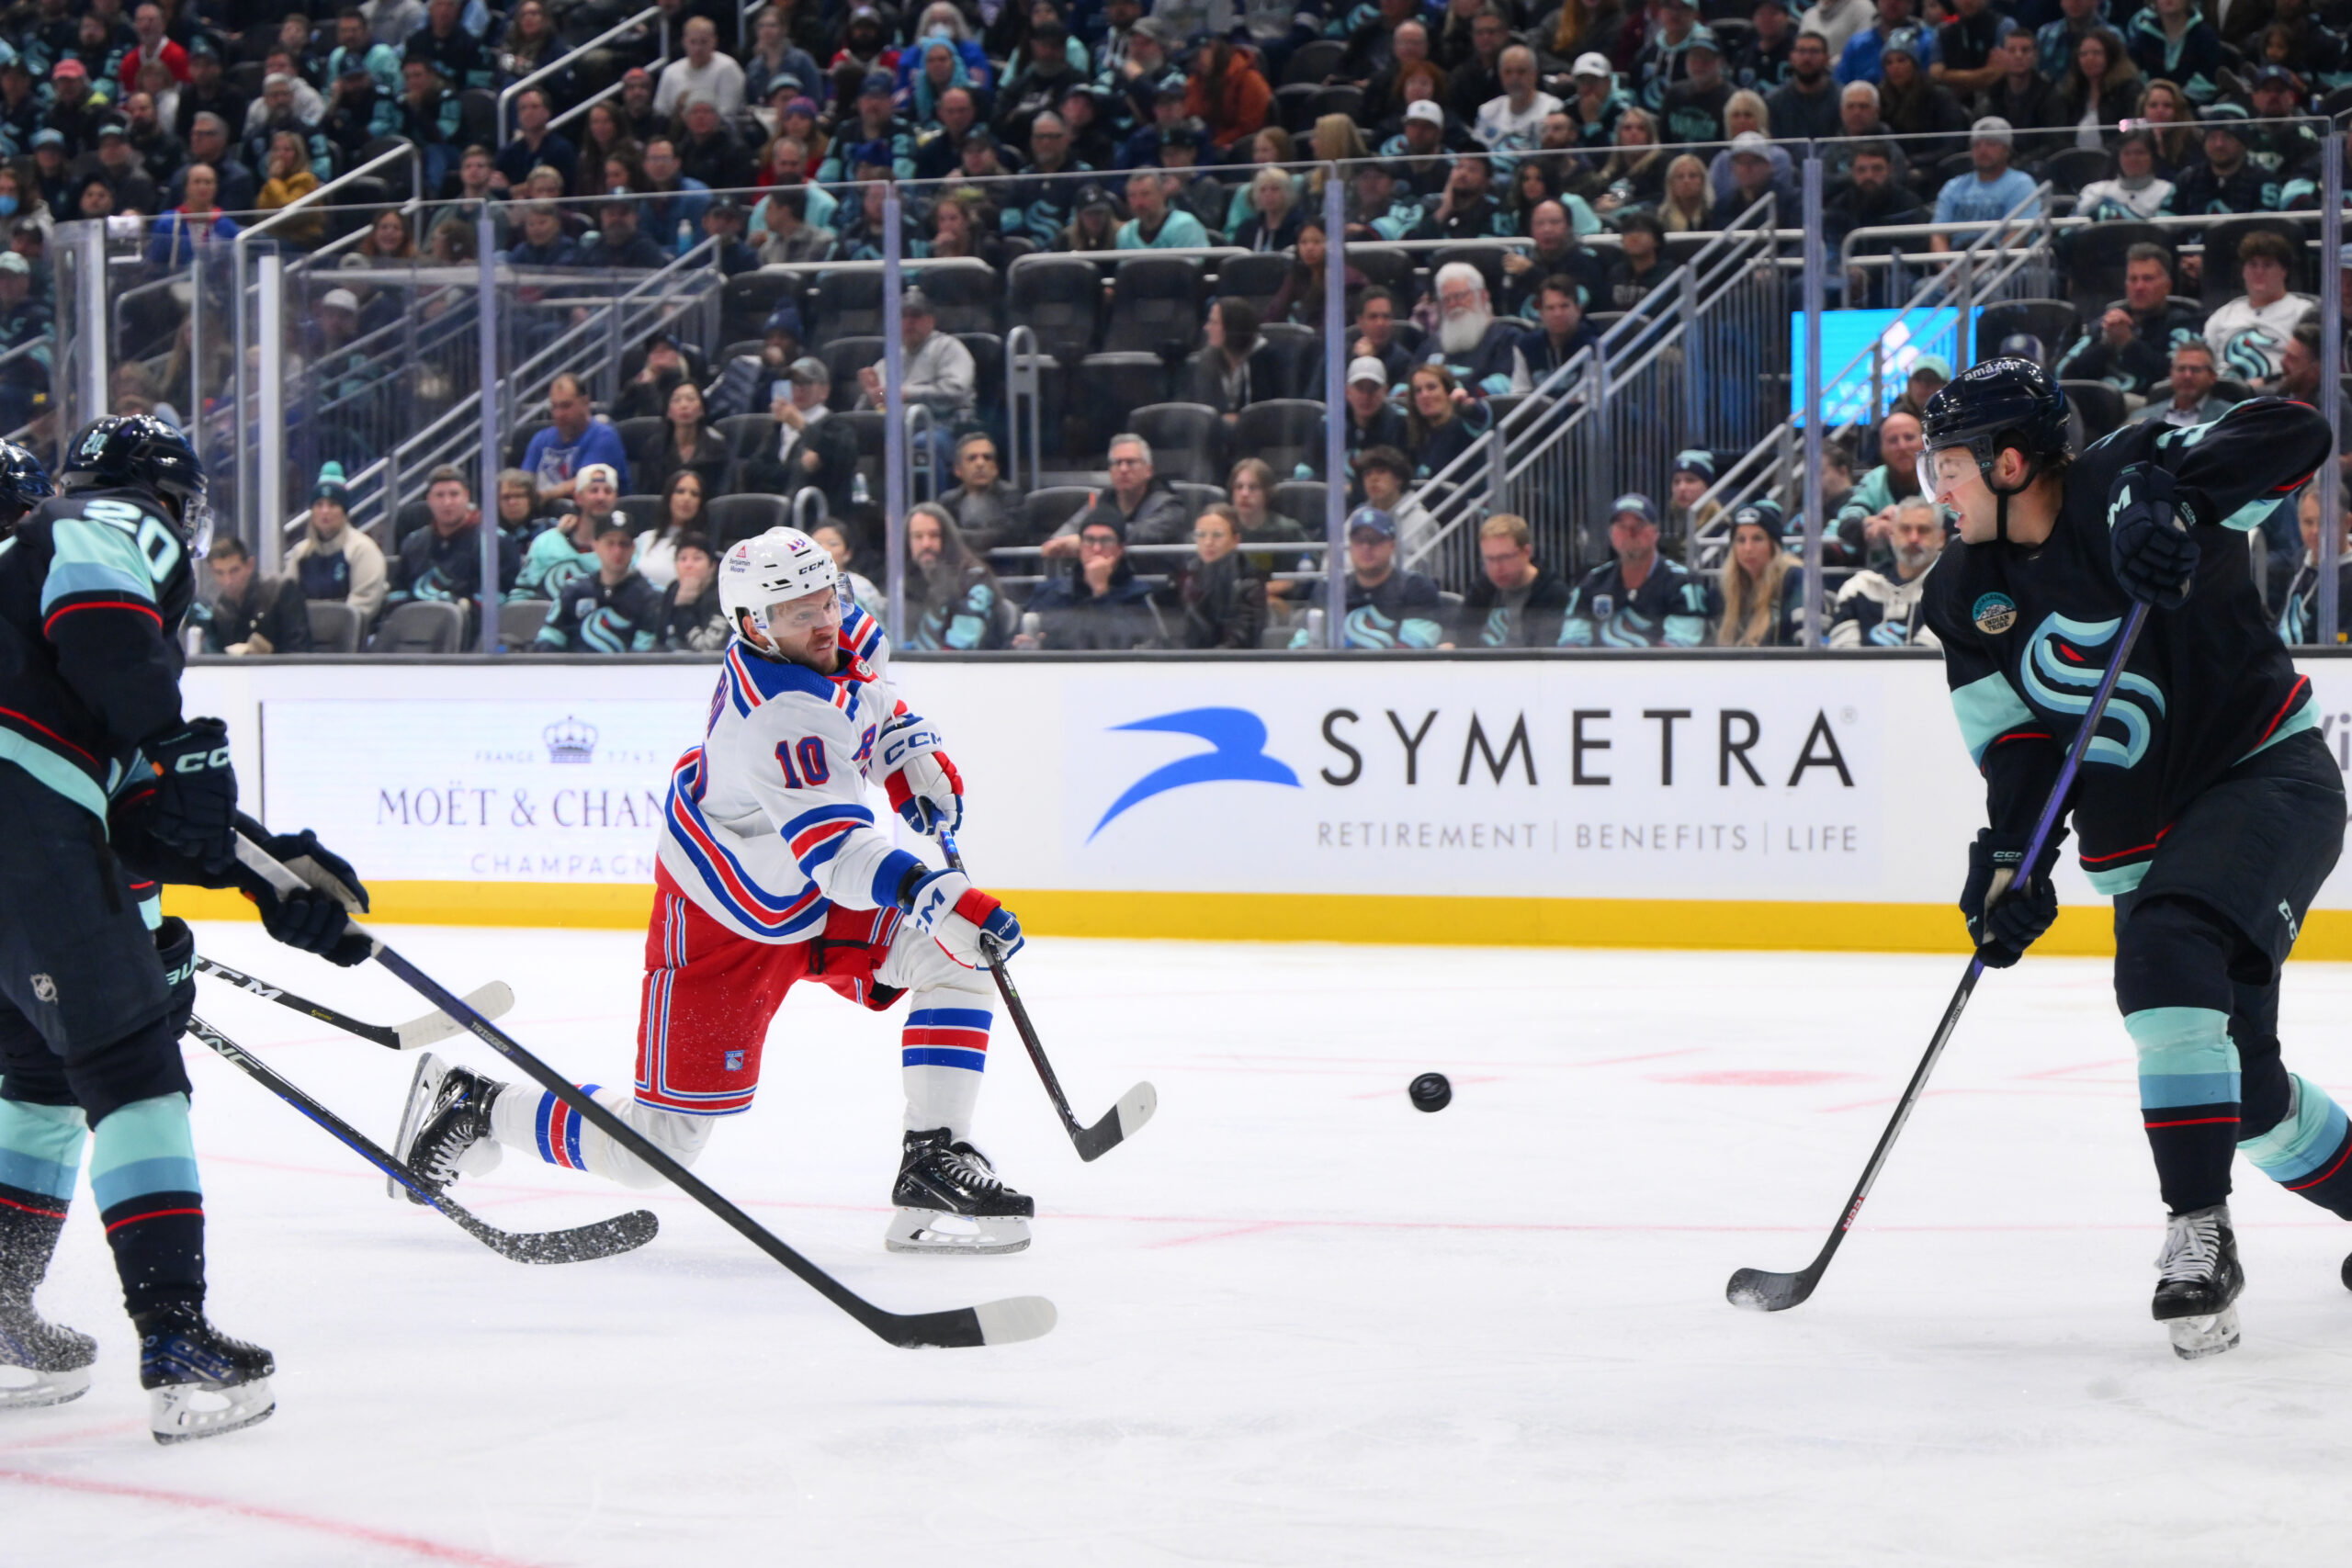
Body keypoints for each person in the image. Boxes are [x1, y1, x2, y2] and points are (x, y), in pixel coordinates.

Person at [399, 527, 1038, 1255]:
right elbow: (839, 855)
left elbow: (875, 696)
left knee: (956, 960)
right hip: (726, 915)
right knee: (654, 1149)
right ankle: (479, 1105)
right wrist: (936, 893)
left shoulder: (837, 626)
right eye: (798, 612)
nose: (822, 619)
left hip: (808, 892)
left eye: (824, 597)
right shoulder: (775, 716)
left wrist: (907, 758)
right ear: (752, 625)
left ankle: (933, 1159)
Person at [1914, 356, 2346, 1359]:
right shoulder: (1958, 594)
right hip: (2141, 846)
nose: (1935, 488)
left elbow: (2295, 432)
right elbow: (2020, 750)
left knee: (2166, 951)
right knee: (2247, 1094)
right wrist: (2006, 872)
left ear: (2012, 461)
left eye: (1949, 465)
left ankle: (2198, 1238)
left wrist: (2177, 500)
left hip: (2263, 779)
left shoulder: (2128, 477)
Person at [0, 417, 367, 1438]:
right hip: (23, 824)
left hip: (27, 840)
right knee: (133, 1071)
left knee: (38, 1073)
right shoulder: (105, 521)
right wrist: (178, 736)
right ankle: (178, 1342)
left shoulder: (20, 603)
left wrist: (261, 872)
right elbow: (113, 679)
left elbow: (131, 807)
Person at [1559, 491, 1719, 646]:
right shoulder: (1592, 582)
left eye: (1639, 525)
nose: (1630, 533)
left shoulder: (1683, 583)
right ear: (1611, 535)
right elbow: (1571, 643)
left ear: (1655, 533)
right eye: (1622, 526)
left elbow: (1679, 649)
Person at [1296, 505, 1445, 649]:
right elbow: (1301, 644)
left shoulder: (1417, 588)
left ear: (1392, 545)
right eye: (1358, 540)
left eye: (1375, 540)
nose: (1366, 547)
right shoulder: (1328, 589)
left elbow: (1413, 649)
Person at [1017, 514, 1164, 649]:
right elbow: (1018, 639)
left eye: (1106, 541)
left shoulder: (1139, 598)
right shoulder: (1049, 592)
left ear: (1120, 549)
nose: (1097, 548)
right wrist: (1029, 646)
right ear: (1080, 547)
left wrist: (1101, 592)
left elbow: (1127, 645)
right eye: (1089, 540)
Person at [390, 464, 523, 614]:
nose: (447, 503)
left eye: (454, 494)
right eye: (439, 495)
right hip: (416, 629)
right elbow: (397, 596)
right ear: (429, 500)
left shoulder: (496, 543)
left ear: (466, 496)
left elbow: (499, 605)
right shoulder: (413, 543)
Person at [748, 357, 860, 517]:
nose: (798, 389)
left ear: (824, 391)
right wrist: (798, 468)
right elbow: (753, 471)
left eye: (806, 383)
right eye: (793, 382)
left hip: (820, 514)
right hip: (778, 514)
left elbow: (843, 457)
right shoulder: (778, 427)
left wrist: (802, 426)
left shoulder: (837, 426)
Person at [1046, 434, 1188, 558]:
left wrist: (1086, 540)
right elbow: (1070, 529)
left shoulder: (1170, 506)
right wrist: (1057, 543)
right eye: (1117, 463)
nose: (1123, 469)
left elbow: (1142, 535)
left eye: (1131, 462)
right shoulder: (1101, 500)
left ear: (1149, 470)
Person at [531, 516, 661, 652]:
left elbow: (642, 655)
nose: (617, 551)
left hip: (625, 672)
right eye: (610, 543)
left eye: (624, 544)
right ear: (595, 546)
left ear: (634, 548)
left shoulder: (650, 597)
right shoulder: (574, 589)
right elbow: (550, 638)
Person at [1826, 494, 1941, 645]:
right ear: (1892, 535)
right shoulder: (1859, 587)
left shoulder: (1951, 590)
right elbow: (1844, 658)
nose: (1913, 538)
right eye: (1905, 529)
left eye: (1923, 530)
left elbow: (1931, 658)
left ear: (1941, 538)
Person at [1447, 513, 1570, 647]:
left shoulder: (1552, 593)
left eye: (1504, 558)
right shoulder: (1482, 587)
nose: (1497, 567)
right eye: (1489, 559)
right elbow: (1462, 636)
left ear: (1526, 553)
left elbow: (1544, 652)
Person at [2203, 231, 2309, 387]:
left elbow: (2307, 369)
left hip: (2279, 398)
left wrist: (2267, 382)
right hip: (2226, 400)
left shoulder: (2302, 312)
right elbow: (2203, 365)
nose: (2259, 272)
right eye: (2252, 264)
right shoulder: (2223, 315)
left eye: (2267, 265)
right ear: (2243, 271)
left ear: (2284, 271)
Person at [287, 462, 389, 623]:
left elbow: (363, 606)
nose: (325, 511)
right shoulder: (300, 553)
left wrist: (327, 625)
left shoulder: (362, 549)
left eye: (333, 505)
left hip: (349, 640)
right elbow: (288, 602)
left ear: (344, 511)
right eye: (319, 505)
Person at [904, 502, 1007, 651]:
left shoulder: (975, 579)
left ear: (947, 539)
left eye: (934, 535)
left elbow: (958, 649)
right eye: (918, 537)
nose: (926, 544)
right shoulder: (907, 583)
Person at [1166, 504, 1266, 649]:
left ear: (1235, 540)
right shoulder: (1186, 576)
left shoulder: (1250, 581)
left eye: (1217, 535)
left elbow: (1242, 639)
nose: (1208, 543)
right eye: (1201, 535)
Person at [196, 534, 314, 655]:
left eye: (234, 571)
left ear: (249, 565)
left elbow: (300, 649)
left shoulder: (281, 591)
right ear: (211, 572)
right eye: (220, 573)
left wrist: (269, 653)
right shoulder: (220, 609)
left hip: (283, 671)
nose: (228, 581)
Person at [1928, 116, 2037, 245]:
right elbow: (1937, 235)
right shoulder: (1953, 186)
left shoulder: (2022, 184)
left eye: (1991, 144)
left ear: (2006, 150)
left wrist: (1986, 265)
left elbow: (2019, 234)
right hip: (1958, 261)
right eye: (1976, 145)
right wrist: (1946, 265)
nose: (1982, 150)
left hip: (2008, 264)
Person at [515, 465, 616, 599]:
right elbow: (521, 597)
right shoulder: (546, 542)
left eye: (608, 491)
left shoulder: (624, 549)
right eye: (594, 490)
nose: (601, 497)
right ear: (577, 497)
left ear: (616, 498)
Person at [1713, 501, 1805, 646]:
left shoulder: (1795, 579)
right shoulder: (1727, 587)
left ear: (1773, 545)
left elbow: (1805, 645)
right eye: (1741, 540)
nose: (1748, 548)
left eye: (1757, 539)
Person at [2276, 479, 2352, 646]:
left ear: (2347, 523)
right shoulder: (2300, 559)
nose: (2315, 531)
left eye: (2325, 522)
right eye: (2308, 522)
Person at [637, 380, 729, 499]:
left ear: (702, 410)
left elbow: (722, 495)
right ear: (668, 412)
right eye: (676, 400)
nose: (684, 405)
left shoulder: (717, 448)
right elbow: (646, 495)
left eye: (691, 399)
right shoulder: (654, 448)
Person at [938, 433, 1023, 551]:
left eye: (987, 458)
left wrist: (954, 537)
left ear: (995, 469)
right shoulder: (948, 501)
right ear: (958, 470)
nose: (980, 464)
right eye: (972, 458)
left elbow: (1006, 536)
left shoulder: (1011, 496)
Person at [2128, 339, 2237, 428]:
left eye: (2195, 370)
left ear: (2212, 376)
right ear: (2171, 374)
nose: (2187, 376)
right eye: (2181, 369)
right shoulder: (2140, 418)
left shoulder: (2230, 418)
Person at [656, 533, 729, 651]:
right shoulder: (673, 589)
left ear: (712, 566)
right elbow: (661, 640)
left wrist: (684, 607)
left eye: (697, 558)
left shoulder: (722, 595)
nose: (688, 565)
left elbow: (707, 649)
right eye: (683, 559)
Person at [636, 470, 707, 588]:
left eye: (694, 494)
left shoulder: (702, 546)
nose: (687, 498)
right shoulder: (645, 538)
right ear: (669, 497)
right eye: (680, 491)